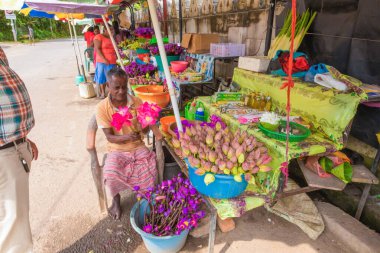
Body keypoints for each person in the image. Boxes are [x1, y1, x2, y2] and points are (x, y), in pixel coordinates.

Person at [96, 68, 161, 220]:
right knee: (111, 173)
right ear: (108, 86)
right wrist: (126, 137)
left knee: (149, 169)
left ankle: (146, 199)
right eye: (116, 87)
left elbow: (144, 132)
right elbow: (109, 137)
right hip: (116, 149)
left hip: (137, 146)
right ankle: (116, 200)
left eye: (124, 86)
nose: (121, 91)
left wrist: (147, 121)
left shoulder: (136, 102)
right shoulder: (102, 108)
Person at [0, 46, 38, 252]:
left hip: (12, 144)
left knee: (15, 219)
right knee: (12, 224)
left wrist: (21, 139)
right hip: (4, 153)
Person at [94, 26, 117, 99]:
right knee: (102, 78)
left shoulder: (111, 38)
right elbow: (97, 49)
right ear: (104, 30)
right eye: (109, 29)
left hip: (112, 60)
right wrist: (104, 59)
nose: (111, 31)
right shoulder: (99, 36)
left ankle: (111, 93)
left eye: (112, 29)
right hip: (102, 61)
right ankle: (103, 93)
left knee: (111, 78)